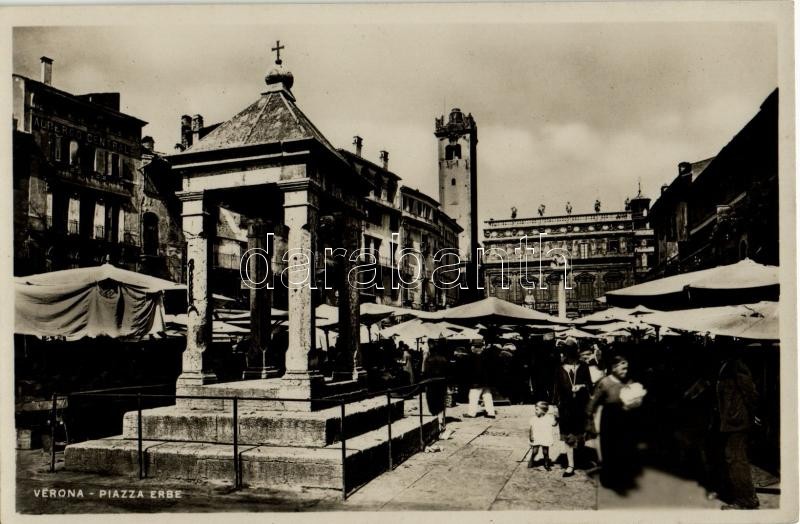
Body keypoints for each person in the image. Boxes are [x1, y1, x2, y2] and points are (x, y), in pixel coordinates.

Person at [586, 354, 646, 493]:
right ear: (613, 367)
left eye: (626, 367)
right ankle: (609, 480)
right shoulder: (604, 383)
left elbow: (636, 400)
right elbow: (591, 405)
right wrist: (590, 424)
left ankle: (622, 479)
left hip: (626, 420)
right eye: (622, 367)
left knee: (625, 449)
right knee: (610, 450)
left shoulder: (629, 382)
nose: (625, 370)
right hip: (610, 420)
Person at [714, 348, 760, 510]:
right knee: (734, 458)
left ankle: (746, 500)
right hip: (733, 420)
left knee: (736, 460)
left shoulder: (736, 365)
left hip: (737, 421)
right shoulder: (727, 364)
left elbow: (750, 392)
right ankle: (747, 497)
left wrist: (753, 414)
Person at [553, 338, 592, 477]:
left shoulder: (583, 366)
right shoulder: (559, 368)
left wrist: (581, 386)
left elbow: (590, 385)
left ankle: (580, 456)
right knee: (568, 436)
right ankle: (570, 465)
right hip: (565, 407)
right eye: (565, 353)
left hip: (580, 405)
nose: (567, 355)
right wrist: (554, 407)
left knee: (580, 434)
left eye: (570, 352)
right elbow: (556, 389)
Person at [464, 344, 496, 418]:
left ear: (475, 348)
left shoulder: (474, 357)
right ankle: (491, 413)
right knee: (487, 396)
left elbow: (475, 371)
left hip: (477, 381)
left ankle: (471, 413)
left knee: (473, 397)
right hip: (487, 381)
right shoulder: (487, 356)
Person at [528, 401, 557, 470]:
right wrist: (531, 436)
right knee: (535, 451)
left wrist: (556, 418)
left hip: (545, 437)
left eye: (537, 409)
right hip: (536, 437)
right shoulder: (534, 419)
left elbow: (554, 424)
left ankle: (546, 463)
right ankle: (532, 459)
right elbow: (531, 428)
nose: (535, 411)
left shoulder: (549, 418)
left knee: (545, 452)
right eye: (535, 409)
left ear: (543, 411)